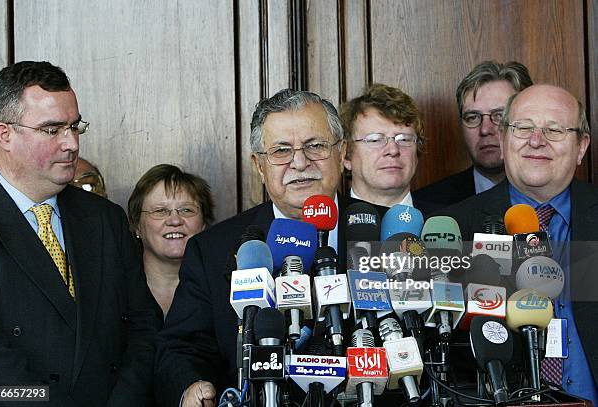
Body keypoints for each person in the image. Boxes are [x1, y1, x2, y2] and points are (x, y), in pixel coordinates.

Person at [155, 89, 346, 407]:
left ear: (342, 153)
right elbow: (183, 346)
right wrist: (192, 385)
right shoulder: (214, 249)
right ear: (259, 166)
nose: (299, 162)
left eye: (315, 146)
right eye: (281, 151)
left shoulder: (386, 235)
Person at [0, 61, 162, 406]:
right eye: (52, 130)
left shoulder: (105, 219)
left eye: (74, 126)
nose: (71, 144)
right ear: (5, 135)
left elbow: (144, 326)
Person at [443, 84, 597, 403]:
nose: (536, 141)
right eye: (523, 127)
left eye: (553, 130)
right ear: (502, 138)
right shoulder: (455, 229)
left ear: (581, 146)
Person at [414, 60, 533, 209]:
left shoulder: (560, 197)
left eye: (499, 116)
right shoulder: (428, 205)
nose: (485, 129)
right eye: (473, 117)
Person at [128, 164, 214, 315]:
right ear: (137, 225)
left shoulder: (222, 288)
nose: (175, 220)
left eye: (186, 210)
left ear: (204, 223)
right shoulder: (116, 289)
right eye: (160, 211)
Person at [339, 83, 438, 216]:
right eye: (375, 139)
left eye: (404, 139)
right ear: (346, 155)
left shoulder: (447, 222)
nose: (393, 150)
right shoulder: (327, 228)